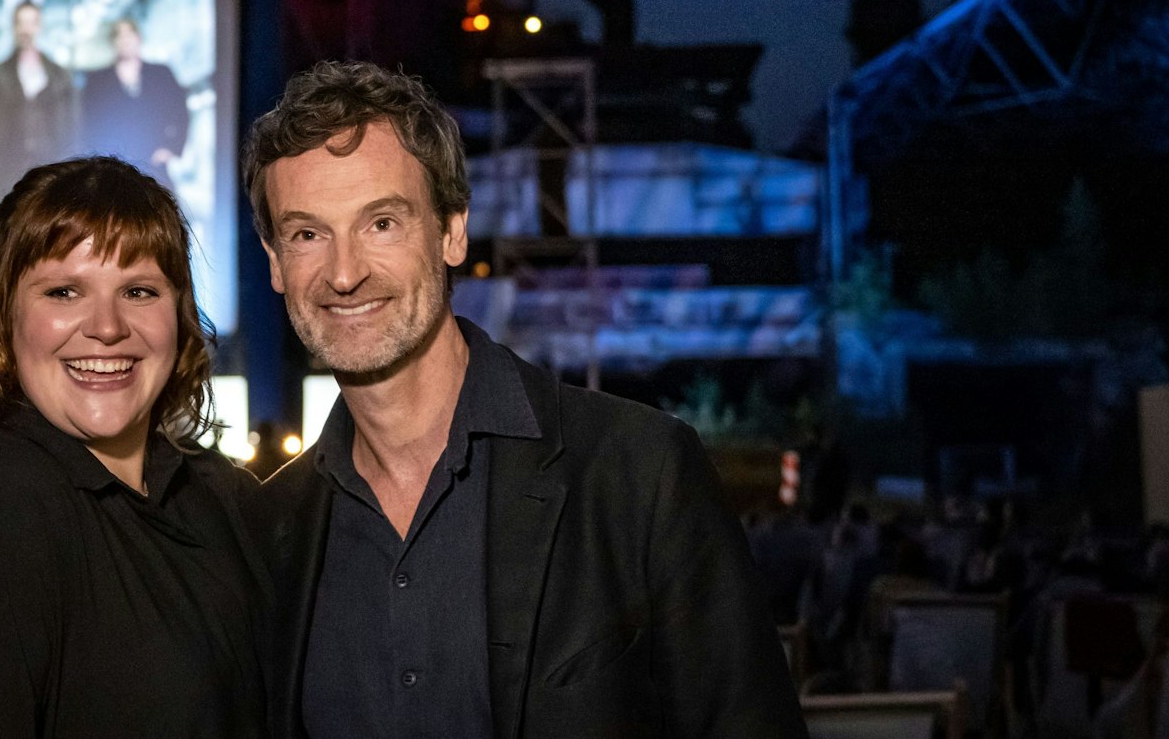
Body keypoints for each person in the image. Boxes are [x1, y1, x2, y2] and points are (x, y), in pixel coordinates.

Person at [244, 61, 805, 739]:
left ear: (452, 231)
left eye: (381, 223)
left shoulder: (636, 473)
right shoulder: (266, 531)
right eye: (308, 233)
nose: (344, 271)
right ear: (275, 262)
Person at [0, 157, 265, 738]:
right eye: (63, 291)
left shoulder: (220, 498)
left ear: (178, 317)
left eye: (138, 290)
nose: (106, 327)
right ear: (5, 319)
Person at [0, 0, 78, 201]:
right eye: (21, 23)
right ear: (14, 27)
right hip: (7, 168)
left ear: (39, 26)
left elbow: (72, 125)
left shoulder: (60, 76)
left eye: (31, 22)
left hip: (51, 166)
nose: (26, 29)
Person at [80, 17, 190, 185]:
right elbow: (87, 122)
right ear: (113, 42)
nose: (125, 41)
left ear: (138, 38)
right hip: (112, 168)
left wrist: (171, 148)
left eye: (129, 35)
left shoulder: (161, 74)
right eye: (119, 36)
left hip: (155, 166)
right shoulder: (98, 81)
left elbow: (181, 113)